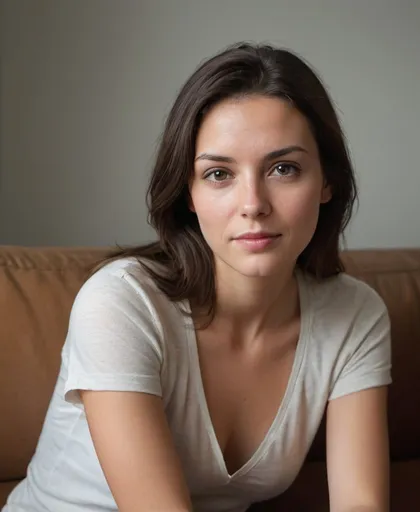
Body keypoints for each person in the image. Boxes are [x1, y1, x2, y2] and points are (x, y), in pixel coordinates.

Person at [4, 42, 392, 512]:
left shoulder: (356, 316)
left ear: (327, 181)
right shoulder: (121, 303)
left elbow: (360, 504)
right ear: (188, 193)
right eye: (218, 174)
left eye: (283, 168)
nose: (253, 203)